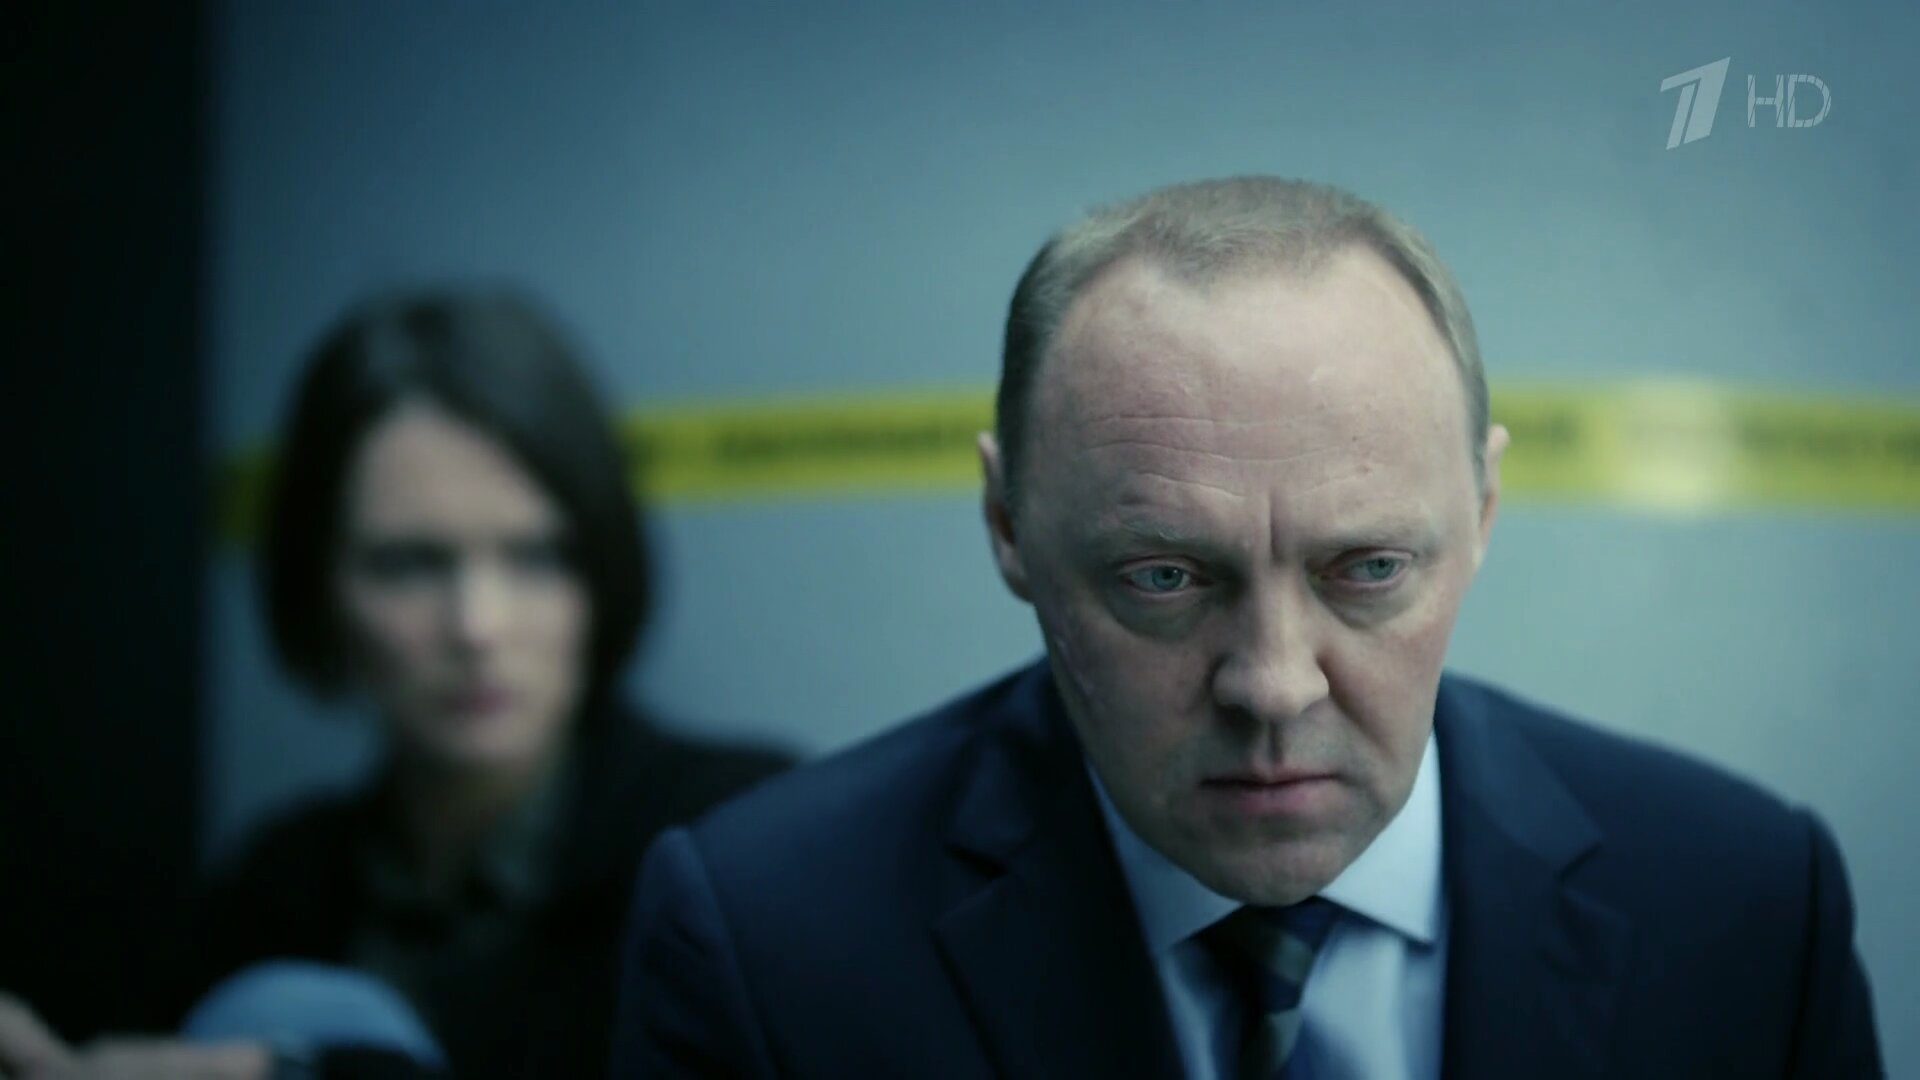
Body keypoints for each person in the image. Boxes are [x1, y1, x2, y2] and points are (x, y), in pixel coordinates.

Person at [611, 178, 1883, 1078]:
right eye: (1164, 578)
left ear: (1484, 510)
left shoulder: (1746, 910)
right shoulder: (768, 945)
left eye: (1368, 569)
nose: (1274, 686)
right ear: (1007, 525)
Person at [1, 288, 794, 1079]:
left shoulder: (731, 844)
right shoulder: (273, 893)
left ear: (602, 569)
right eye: (409, 563)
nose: (477, 626)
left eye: (535, 556)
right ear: (319, 586)